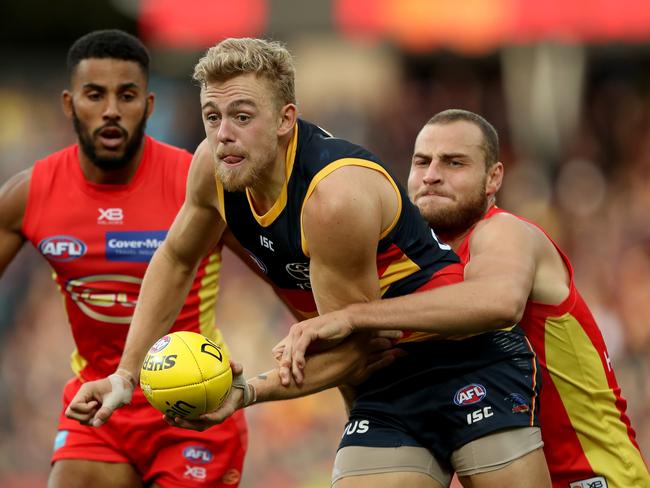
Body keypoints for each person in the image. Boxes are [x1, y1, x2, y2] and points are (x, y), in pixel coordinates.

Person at [66, 38, 551, 488]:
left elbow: (358, 343)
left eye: (241, 116)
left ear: (284, 119)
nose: (223, 135)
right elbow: (174, 258)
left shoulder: (332, 198)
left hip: (468, 359)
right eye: (212, 117)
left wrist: (248, 393)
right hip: (384, 379)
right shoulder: (212, 169)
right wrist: (126, 375)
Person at [278, 109, 650, 488]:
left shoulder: (506, 233)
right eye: (421, 161)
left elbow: (498, 303)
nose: (431, 175)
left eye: (454, 163)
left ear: (494, 178)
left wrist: (356, 315)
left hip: (593, 476)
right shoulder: (416, 271)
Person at [0, 30, 249, 488]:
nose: (111, 109)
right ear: (69, 104)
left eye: (127, 95)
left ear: (149, 107)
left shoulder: (198, 185)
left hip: (192, 402)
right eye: (95, 94)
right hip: (96, 401)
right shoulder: (28, 194)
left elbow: (287, 278)